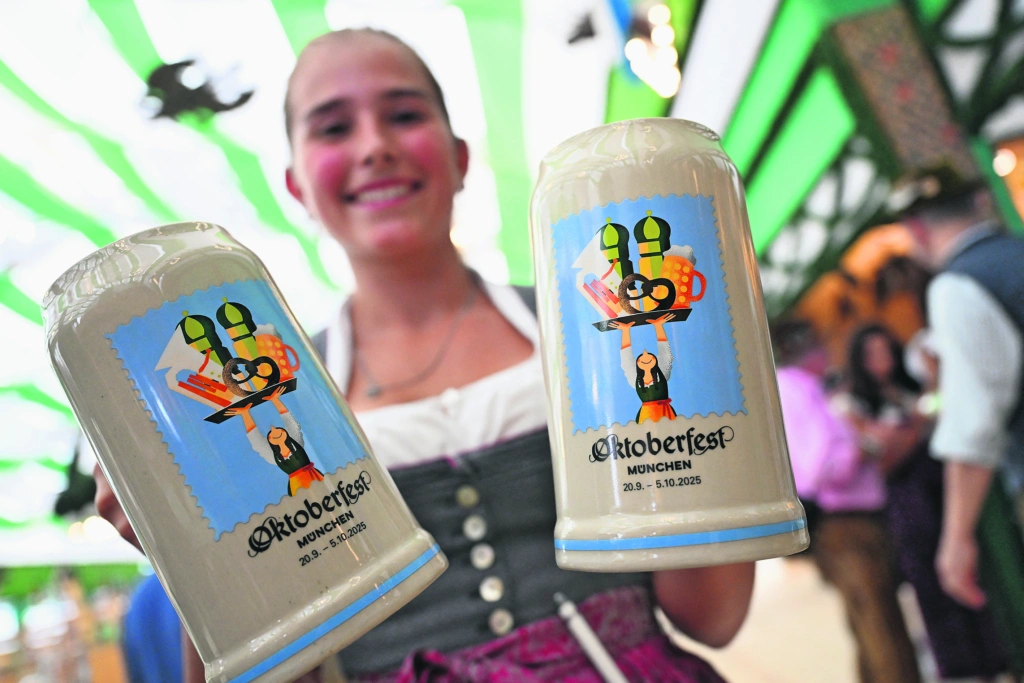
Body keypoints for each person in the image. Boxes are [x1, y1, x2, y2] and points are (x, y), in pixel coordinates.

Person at [97, 27, 755, 682]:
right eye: (333, 128)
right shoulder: (270, 400)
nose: (374, 146)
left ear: (460, 156)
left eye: (405, 115)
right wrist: (186, 546)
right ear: (297, 187)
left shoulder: (596, 327)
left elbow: (711, 614)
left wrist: (720, 379)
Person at [898, 169, 1024, 673]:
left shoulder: (956, 285)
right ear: (979, 204)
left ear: (916, 230)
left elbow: (974, 422)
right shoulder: (1014, 256)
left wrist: (955, 539)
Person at [835, 324, 1007, 681]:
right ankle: (959, 666)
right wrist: (914, 426)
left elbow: (936, 416)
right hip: (907, 500)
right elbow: (883, 454)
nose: (882, 361)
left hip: (939, 486)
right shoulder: (853, 403)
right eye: (872, 354)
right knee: (930, 581)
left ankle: (994, 657)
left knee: (973, 572)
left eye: (886, 351)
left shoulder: (907, 387)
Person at [773, 319, 921, 683]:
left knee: (869, 623)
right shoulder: (797, 390)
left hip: (849, 519)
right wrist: (864, 447)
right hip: (845, 522)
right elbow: (819, 466)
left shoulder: (796, 388)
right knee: (880, 624)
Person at [609, 313, 677, 423]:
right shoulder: (635, 379)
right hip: (646, 414)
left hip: (665, 412)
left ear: (656, 361)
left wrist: (658, 326)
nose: (645, 354)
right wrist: (626, 331)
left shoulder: (662, 373)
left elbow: (666, 354)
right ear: (637, 364)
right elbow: (626, 360)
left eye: (650, 356)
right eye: (641, 359)